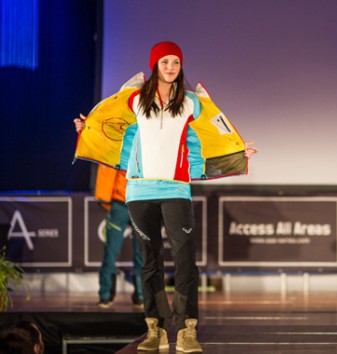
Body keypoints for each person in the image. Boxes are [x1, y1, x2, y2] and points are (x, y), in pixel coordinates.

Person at [77, 41, 257, 353]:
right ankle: (155, 329)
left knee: (185, 260)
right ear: (155, 65)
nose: (170, 67)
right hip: (139, 190)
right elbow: (115, 132)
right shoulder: (135, 99)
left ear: (180, 65)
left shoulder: (191, 102)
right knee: (150, 261)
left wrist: (236, 155)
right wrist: (87, 131)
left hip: (175, 189)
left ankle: (187, 329)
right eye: (164, 62)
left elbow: (204, 137)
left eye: (175, 62)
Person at [72, 117, 144, 309]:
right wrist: (85, 127)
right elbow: (97, 138)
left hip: (142, 203)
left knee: (142, 254)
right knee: (111, 252)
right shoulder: (116, 131)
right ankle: (105, 296)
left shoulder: (148, 130)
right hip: (120, 203)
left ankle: (141, 296)